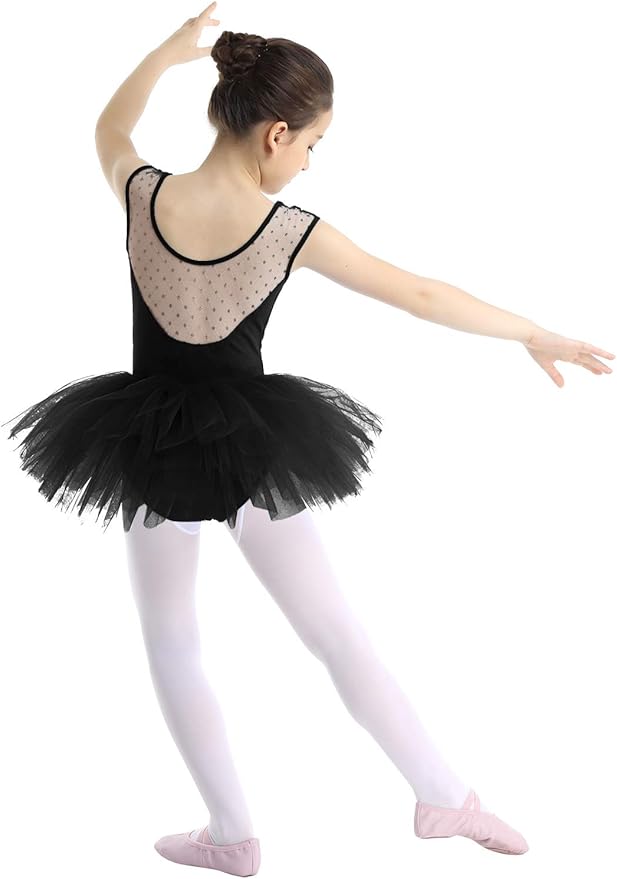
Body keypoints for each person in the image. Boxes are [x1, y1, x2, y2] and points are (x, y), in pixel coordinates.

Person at [3, 6, 614, 875]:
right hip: (252, 450)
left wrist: (167, 55)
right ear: (276, 134)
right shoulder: (287, 230)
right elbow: (420, 295)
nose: (309, 161)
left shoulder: (141, 193)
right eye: (314, 144)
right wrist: (529, 331)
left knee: (171, 639)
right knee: (334, 630)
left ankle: (231, 832)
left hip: (145, 445)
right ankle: (443, 794)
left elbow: (109, 127)